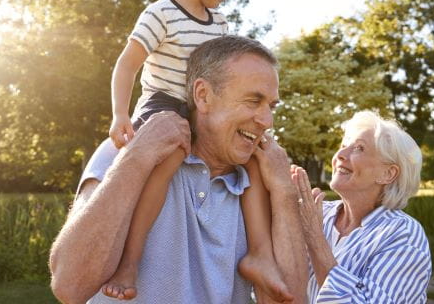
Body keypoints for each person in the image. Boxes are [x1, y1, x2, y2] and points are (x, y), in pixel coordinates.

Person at [97, 0, 286, 301]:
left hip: (201, 107)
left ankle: (261, 255)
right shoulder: (160, 14)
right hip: (164, 106)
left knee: (251, 155)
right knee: (169, 158)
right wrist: (120, 114)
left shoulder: (218, 23)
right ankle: (130, 261)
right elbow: (127, 64)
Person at [49, 36, 308, 304]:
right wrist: (136, 157)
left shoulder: (261, 181)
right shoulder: (126, 150)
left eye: (271, 106)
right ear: (203, 95)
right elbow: (70, 285)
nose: (267, 121)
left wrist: (284, 191)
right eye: (253, 101)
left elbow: (292, 300)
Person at [290, 110, 432, 303]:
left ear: (387, 174)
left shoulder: (404, 234)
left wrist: (314, 237)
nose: (340, 154)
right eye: (343, 145)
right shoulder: (317, 213)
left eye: (358, 148)